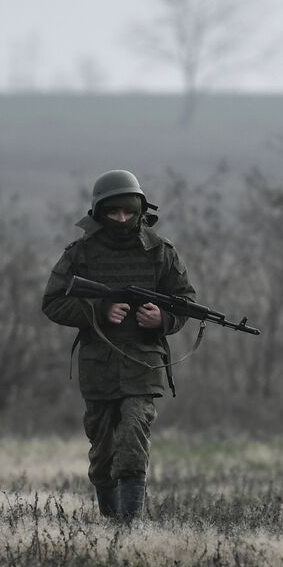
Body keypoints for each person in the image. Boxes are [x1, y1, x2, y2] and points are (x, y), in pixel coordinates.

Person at [41, 170, 196, 523]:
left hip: (144, 362)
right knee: (103, 449)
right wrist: (98, 310)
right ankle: (110, 521)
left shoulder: (160, 252)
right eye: (114, 213)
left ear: (141, 210)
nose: (122, 219)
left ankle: (130, 525)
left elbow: (185, 300)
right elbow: (52, 302)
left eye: (129, 212)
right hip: (99, 364)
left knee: (133, 431)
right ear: (99, 212)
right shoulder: (81, 254)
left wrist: (163, 319)